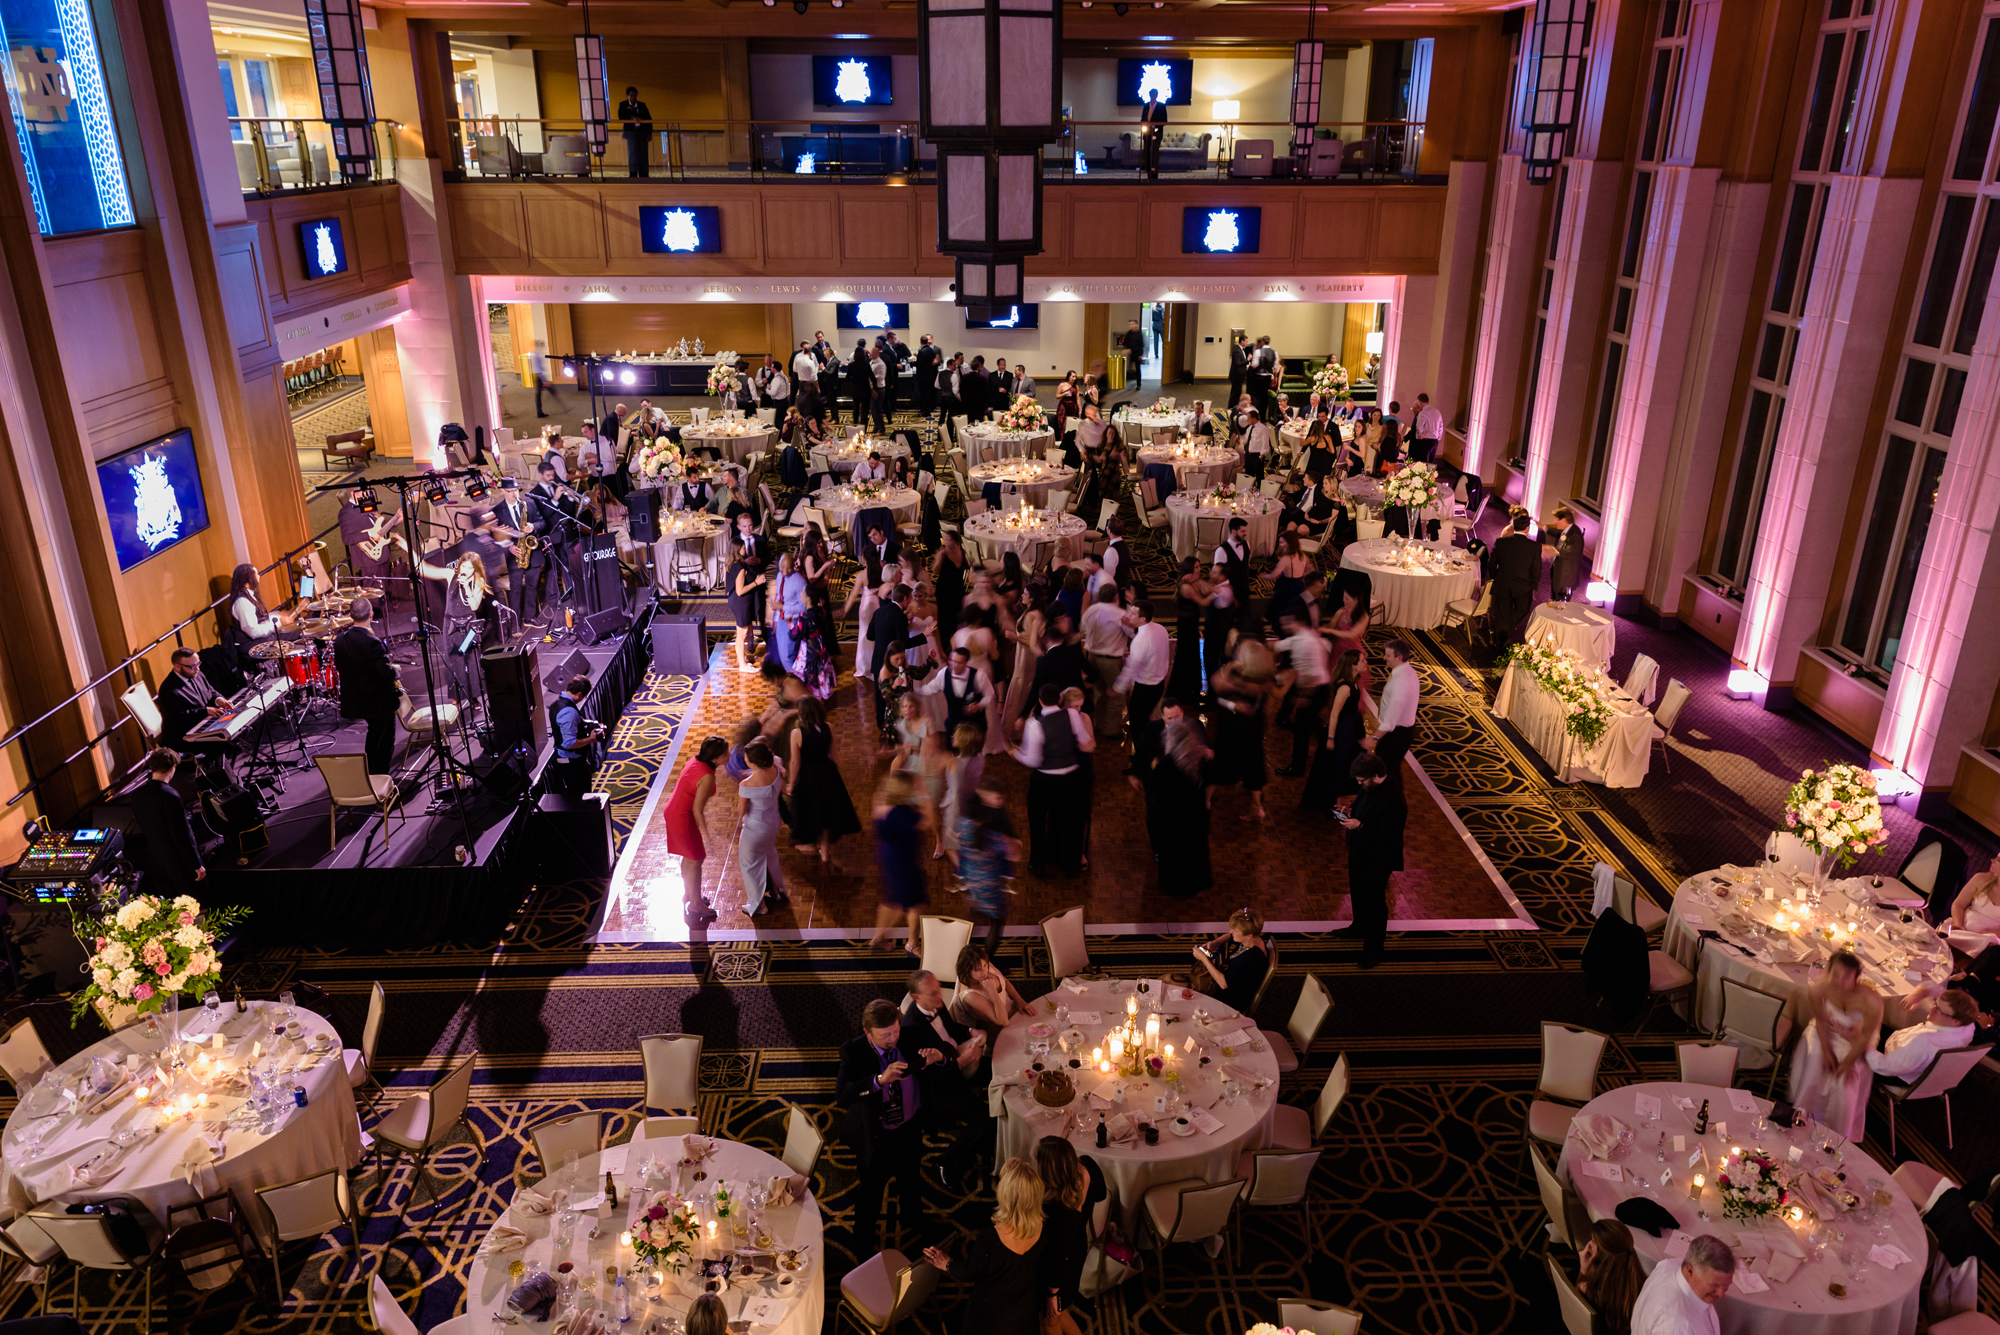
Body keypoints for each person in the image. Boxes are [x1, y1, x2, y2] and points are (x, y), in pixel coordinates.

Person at [838, 999, 933, 1247]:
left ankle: (912, 1217)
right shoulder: (854, 1051)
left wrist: (938, 1055)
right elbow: (843, 1095)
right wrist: (879, 1080)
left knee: (911, 1177)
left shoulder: (909, 1033)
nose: (893, 1038)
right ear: (868, 1032)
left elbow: (943, 1048)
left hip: (910, 1126)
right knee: (871, 1189)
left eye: (895, 1030)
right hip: (877, 1135)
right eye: (885, 1034)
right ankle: (864, 1236)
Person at [922, 1159, 1044, 1335]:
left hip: (992, 1318)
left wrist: (947, 1263)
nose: (999, 1184)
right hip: (1023, 1311)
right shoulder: (1043, 1228)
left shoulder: (990, 1239)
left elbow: (969, 1272)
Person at [903, 968, 990, 1189]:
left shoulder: (936, 1005)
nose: (939, 995)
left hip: (958, 1060)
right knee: (984, 1118)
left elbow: (951, 1031)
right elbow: (932, 1079)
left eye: (938, 988)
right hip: (941, 1090)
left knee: (998, 1068)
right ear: (917, 998)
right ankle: (945, 1161)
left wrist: (971, 1031)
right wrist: (961, 1062)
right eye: (932, 993)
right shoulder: (911, 1030)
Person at [1787, 949, 1882, 1142]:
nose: (1839, 981)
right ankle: (1803, 1117)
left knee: (1845, 1079)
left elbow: (1866, 1037)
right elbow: (1820, 1021)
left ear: (1857, 977)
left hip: (1857, 1038)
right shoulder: (1818, 989)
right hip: (1827, 1030)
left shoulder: (1872, 1000)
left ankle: (1838, 1132)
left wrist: (1848, 1062)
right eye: (1835, 974)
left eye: (1846, 976)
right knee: (1817, 1058)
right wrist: (1826, 1050)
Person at [1014, 682, 1094, 878]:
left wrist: (1015, 753)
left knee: (1038, 822)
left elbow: (1033, 760)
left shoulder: (1035, 724)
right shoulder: (1073, 715)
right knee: (1069, 822)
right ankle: (1068, 865)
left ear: (1040, 701)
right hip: (1071, 779)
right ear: (1059, 700)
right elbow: (1084, 741)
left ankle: (1038, 864)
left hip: (1044, 780)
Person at [1339, 751, 1405, 966]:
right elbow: (1364, 805)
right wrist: (1350, 809)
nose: (1359, 784)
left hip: (1378, 859)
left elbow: (1388, 838)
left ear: (1375, 775)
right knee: (1357, 892)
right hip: (1360, 850)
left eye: (1361, 780)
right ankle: (1358, 927)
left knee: (1375, 904)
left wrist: (1360, 826)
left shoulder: (1394, 800)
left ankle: (1374, 950)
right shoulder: (1372, 785)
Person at [1036, 1136, 1106, 1334]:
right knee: (1058, 1312)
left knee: (1050, 1319)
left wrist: (1052, 1294)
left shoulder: (1056, 1209)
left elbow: (1057, 1255)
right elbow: (1101, 1194)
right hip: (1077, 1251)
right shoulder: (1088, 1167)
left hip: (1057, 1271)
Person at [1145, 710, 1212, 899]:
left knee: (1173, 853)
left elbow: (1155, 791)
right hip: (1194, 816)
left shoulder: (1166, 764)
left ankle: (1174, 887)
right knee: (1194, 851)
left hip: (1171, 818)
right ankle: (1195, 886)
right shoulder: (1197, 760)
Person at [333, 597, 402, 777]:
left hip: (356, 699)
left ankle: (372, 774)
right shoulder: (373, 642)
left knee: (374, 735)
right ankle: (379, 779)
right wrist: (396, 671)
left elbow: (342, 667)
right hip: (377, 701)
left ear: (350, 615)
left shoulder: (340, 639)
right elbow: (384, 673)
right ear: (371, 614)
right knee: (384, 740)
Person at [662, 736, 727, 927]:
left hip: (675, 810)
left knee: (689, 857)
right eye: (725, 754)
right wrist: (706, 834)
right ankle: (696, 904)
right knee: (696, 858)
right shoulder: (707, 776)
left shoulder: (697, 760)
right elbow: (698, 809)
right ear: (714, 758)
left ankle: (690, 894)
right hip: (683, 816)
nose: (729, 756)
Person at [1209, 640, 1273, 823]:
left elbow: (1216, 683)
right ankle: (1257, 807)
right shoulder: (1264, 677)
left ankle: (1204, 801)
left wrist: (1229, 666)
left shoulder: (1241, 678)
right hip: (1254, 726)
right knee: (1253, 765)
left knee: (1222, 761)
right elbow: (1266, 705)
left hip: (1234, 725)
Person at [130, 747, 204, 896]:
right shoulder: (170, 796)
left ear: (151, 767)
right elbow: (181, 835)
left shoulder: (137, 794)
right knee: (193, 909)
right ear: (172, 767)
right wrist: (196, 864)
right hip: (179, 865)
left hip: (155, 862)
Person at [1302, 650, 1367, 815]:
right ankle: (1331, 803)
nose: (1365, 661)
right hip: (1343, 730)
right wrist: (1331, 738)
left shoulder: (1354, 680)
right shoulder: (1345, 687)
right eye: (1361, 660)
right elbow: (1334, 714)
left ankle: (1335, 800)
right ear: (1352, 665)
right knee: (1338, 765)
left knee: (1344, 764)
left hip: (1351, 726)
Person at [1630, 1233, 1733, 1334]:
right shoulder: (1676, 1326)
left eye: (1726, 1286)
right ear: (1690, 1271)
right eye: (1714, 1285)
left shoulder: (1670, 1265)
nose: (1721, 1294)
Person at [1866, 987, 1978, 1080]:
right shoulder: (1968, 1026)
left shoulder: (1922, 1041)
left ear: (1955, 1021)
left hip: (1896, 1074)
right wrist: (1920, 993)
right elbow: (1935, 988)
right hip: (1915, 1065)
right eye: (1935, 1003)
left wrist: (1867, 1042)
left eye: (1939, 1010)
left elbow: (1884, 1066)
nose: (1932, 1009)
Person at [957, 785, 1017, 950]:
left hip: (971, 881)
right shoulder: (993, 835)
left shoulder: (962, 826)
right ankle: (988, 962)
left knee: (972, 918)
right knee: (996, 924)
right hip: (991, 887)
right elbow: (1014, 855)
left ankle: (964, 958)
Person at [1274, 604, 1331, 777]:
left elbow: (1309, 675)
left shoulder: (1302, 642)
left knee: (1301, 732)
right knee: (1311, 727)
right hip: (1320, 688)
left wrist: (1304, 695)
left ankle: (1297, 768)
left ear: (1297, 622)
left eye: (1287, 623)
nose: (1284, 627)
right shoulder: (1306, 636)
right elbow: (1280, 645)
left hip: (1314, 690)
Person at [736, 741, 787, 918]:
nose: (745, 760)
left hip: (755, 829)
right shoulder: (775, 768)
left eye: (746, 758)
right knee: (768, 854)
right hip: (773, 822)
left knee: (749, 863)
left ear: (754, 763)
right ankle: (776, 890)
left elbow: (742, 811)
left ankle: (759, 905)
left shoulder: (746, 785)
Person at [155, 646, 232, 760]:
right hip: (182, 735)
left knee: (231, 736)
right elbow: (178, 717)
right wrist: (206, 711)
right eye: (192, 666)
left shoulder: (197, 674)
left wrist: (219, 699)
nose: (197, 669)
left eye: (198, 664)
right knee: (221, 743)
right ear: (177, 666)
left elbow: (210, 691)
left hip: (201, 724)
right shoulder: (168, 689)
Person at [1113, 601, 1169, 753]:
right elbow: (1157, 652)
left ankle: (1142, 760)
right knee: (1146, 722)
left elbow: (1131, 669)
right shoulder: (1160, 629)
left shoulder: (1140, 640)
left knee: (1138, 726)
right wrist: (1134, 656)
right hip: (1159, 684)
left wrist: (1117, 688)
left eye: (1133, 613)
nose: (1129, 615)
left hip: (1145, 688)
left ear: (1142, 619)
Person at [1364, 638, 1420, 787]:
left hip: (1397, 733)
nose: (1384, 658)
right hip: (1401, 731)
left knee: (1387, 771)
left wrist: (1374, 738)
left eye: (1388, 655)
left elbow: (1390, 719)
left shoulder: (1399, 683)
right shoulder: (1409, 672)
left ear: (1399, 657)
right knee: (1390, 769)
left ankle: (1392, 804)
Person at [1194, 908, 1271, 1013]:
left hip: (1230, 1003)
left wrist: (1203, 958)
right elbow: (1230, 936)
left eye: (1235, 931)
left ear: (1249, 935)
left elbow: (1223, 984)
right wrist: (1215, 943)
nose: (1231, 932)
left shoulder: (1250, 959)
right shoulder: (1254, 939)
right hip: (1232, 984)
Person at [952, 943, 1031, 1043]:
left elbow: (1005, 982)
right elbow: (1003, 1021)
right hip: (1001, 1033)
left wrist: (1020, 1000)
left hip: (1016, 1010)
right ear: (967, 971)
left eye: (985, 965)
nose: (984, 972)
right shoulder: (970, 996)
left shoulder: (983, 965)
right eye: (977, 970)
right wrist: (993, 992)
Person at [1575, 1219, 1644, 1335]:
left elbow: (1573, 1308)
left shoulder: (1587, 1288)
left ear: (1603, 1259)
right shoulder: (1641, 1283)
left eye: (1592, 1242)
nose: (1589, 1244)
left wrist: (1583, 1270)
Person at [1488, 509, 1544, 643]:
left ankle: (1501, 636)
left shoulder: (1501, 542)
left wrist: (1496, 577)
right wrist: (1533, 585)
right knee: (1523, 609)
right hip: (1523, 587)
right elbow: (1537, 569)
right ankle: (1503, 636)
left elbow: (1491, 564)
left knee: (1502, 614)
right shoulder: (1534, 547)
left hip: (1503, 584)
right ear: (1527, 528)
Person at [548, 674, 606, 800]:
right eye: (583, 696)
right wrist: (591, 739)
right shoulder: (568, 712)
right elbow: (570, 743)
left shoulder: (557, 703)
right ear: (579, 694)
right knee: (579, 796)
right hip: (572, 765)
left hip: (567, 760)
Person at [728, 552, 769, 674]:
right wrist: (757, 582)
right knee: (742, 634)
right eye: (742, 547)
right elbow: (740, 591)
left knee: (742, 632)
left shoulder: (733, 564)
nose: (745, 549)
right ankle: (742, 665)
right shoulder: (740, 568)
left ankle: (743, 659)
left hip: (738, 602)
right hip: (742, 603)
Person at [1949, 852, 2000, 948]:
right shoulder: (1980, 879)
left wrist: (1979, 935)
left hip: (1987, 941)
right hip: (1961, 927)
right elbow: (1958, 904)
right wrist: (1958, 925)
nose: (1992, 860)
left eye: (1998, 860)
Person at [1547, 505, 1586, 603]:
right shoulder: (1567, 531)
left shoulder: (1575, 535)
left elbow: (1571, 554)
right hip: (1559, 572)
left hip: (1565, 576)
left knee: (1560, 603)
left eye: (1556, 519)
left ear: (1563, 520)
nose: (1555, 522)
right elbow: (1557, 534)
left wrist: (1553, 550)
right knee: (1554, 599)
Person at [618, 86, 653, 178]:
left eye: (635, 95)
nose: (633, 97)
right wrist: (632, 117)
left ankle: (644, 174)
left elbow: (649, 119)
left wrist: (649, 133)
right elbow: (621, 116)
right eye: (631, 95)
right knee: (633, 154)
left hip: (642, 132)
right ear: (627, 96)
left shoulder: (642, 105)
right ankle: (633, 174)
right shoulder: (623, 105)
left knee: (643, 154)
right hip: (631, 133)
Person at [1241, 407, 1274, 482]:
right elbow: (1246, 440)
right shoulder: (1249, 428)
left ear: (1253, 418)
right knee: (1248, 475)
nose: (1247, 420)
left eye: (1248, 418)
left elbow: (1265, 442)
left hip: (1257, 455)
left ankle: (1259, 490)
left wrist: (1262, 454)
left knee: (1259, 475)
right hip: (1248, 454)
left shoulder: (1263, 429)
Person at [1410, 392, 1443, 463]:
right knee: (1430, 464)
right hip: (1435, 442)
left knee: (1422, 464)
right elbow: (1441, 427)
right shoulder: (1437, 412)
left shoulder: (1423, 413)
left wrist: (1420, 435)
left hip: (1425, 441)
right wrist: (1438, 438)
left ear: (1420, 402)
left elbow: (1419, 428)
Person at [1121, 318, 1146, 389]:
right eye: (1130, 324)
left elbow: (1141, 345)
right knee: (1129, 367)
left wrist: (1141, 354)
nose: (1131, 325)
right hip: (1131, 353)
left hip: (1137, 353)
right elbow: (1125, 342)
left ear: (1136, 325)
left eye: (1132, 324)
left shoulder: (1139, 334)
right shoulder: (1128, 333)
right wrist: (1126, 349)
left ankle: (1139, 384)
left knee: (1138, 369)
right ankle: (1127, 381)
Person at [1228, 334, 1249, 412]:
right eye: (1246, 341)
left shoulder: (1241, 350)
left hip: (1240, 376)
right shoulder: (1237, 351)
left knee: (1237, 393)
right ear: (1242, 341)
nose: (1247, 343)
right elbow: (1237, 364)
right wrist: (1247, 360)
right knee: (1235, 393)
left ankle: (1235, 407)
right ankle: (1231, 408)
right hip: (1236, 376)